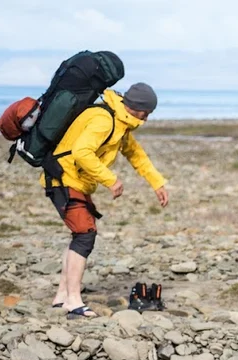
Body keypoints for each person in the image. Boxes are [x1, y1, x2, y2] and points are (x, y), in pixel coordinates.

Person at [43, 82, 169, 318]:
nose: (147, 118)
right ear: (136, 107)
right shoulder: (104, 120)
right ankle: (73, 300)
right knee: (85, 234)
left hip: (76, 182)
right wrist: (110, 179)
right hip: (63, 179)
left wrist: (157, 183)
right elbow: (82, 152)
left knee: (80, 235)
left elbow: (136, 155)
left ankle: (62, 296)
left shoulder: (120, 123)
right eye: (147, 113)